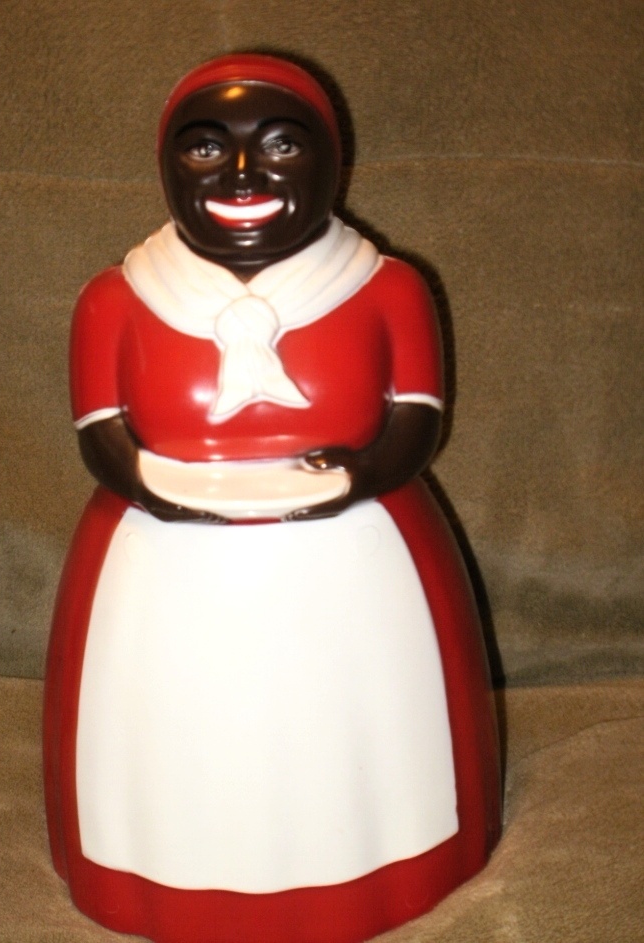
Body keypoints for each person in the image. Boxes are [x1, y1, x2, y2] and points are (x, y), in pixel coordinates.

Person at [43, 53, 501, 943]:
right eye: (206, 148)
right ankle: (159, 876)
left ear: (334, 161)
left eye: (283, 145)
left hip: (358, 561)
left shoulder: (388, 288)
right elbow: (102, 436)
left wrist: (353, 477)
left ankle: (383, 863)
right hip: (160, 569)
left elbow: (415, 421)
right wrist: (160, 485)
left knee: (358, 727)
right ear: (166, 164)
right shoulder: (114, 300)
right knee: (174, 733)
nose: (243, 174)